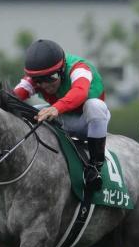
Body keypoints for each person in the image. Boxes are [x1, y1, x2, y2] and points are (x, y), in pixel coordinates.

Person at [13, 39, 109, 192]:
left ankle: (95, 167)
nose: (45, 85)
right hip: (62, 119)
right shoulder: (36, 78)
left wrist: (56, 108)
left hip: (86, 122)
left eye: (50, 78)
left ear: (62, 69)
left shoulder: (79, 68)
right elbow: (14, 96)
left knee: (95, 106)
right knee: (27, 110)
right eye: (39, 80)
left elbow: (80, 92)